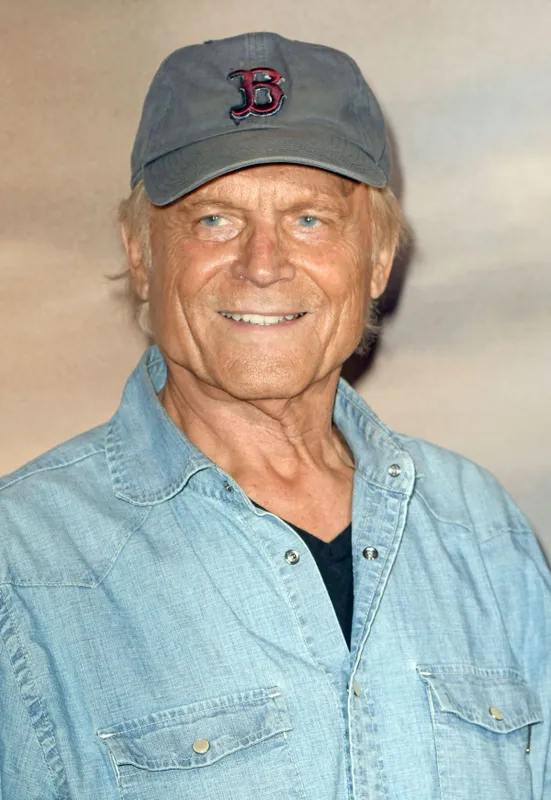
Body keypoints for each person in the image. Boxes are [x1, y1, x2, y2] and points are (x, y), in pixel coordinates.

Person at [0, 31, 549, 800]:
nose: (262, 264)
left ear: (377, 259)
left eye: (309, 220)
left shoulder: (482, 533)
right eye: (214, 220)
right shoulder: (24, 563)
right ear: (141, 253)